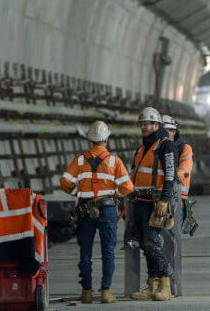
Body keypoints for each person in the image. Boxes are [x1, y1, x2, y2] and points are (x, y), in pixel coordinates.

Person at [60, 121, 133, 304]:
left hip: (84, 209)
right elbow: (128, 187)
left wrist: (77, 192)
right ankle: (106, 292)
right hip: (107, 208)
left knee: (85, 252)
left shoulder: (79, 161)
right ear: (106, 139)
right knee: (108, 251)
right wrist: (114, 194)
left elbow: (64, 183)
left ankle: (86, 293)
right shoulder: (114, 161)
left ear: (89, 139)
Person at [128, 107, 180, 302]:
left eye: (147, 123)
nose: (143, 126)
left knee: (153, 244)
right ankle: (152, 285)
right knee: (145, 244)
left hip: (156, 202)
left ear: (156, 125)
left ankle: (165, 284)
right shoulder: (142, 149)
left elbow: (170, 175)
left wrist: (165, 201)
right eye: (141, 123)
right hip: (139, 201)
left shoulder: (166, 146)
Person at [161, 115, 195, 228]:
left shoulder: (184, 148)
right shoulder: (158, 148)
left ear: (174, 131)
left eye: (167, 131)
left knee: (170, 236)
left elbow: (185, 168)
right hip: (160, 198)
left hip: (177, 200)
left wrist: (173, 176)